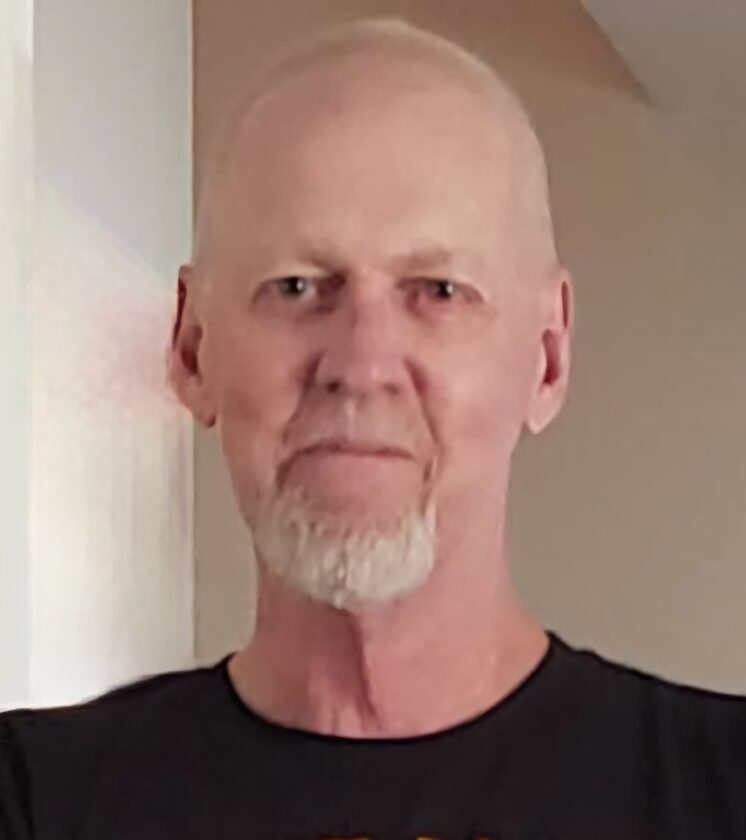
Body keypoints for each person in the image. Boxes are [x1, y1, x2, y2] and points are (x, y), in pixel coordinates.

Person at [1, 18, 744, 840]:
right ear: (192, 345)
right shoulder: (32, 800)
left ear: (548, 356)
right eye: (295, 286)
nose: (360, 364)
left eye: (438, 291)